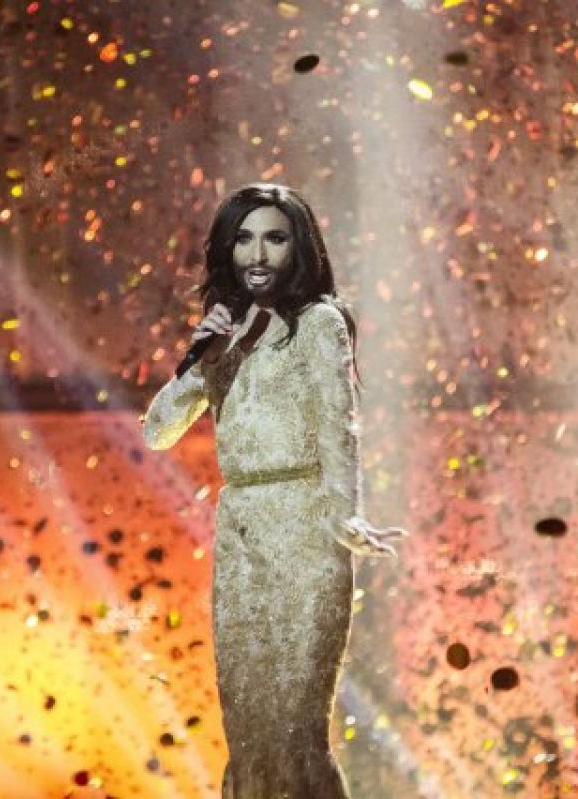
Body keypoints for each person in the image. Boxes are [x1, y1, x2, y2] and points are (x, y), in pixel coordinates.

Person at [141, 183, 407, 798]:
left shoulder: (319, 323)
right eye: (244, 238)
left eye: (275, 238)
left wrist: (346, 514)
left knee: (295, 732)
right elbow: (157, 433)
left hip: (308, 532)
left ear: (299, 248)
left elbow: (339, 423)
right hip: (240, 535)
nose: (258, 254)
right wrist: (203, 356)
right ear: (227, 249)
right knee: (249, 734)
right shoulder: (223, 334)